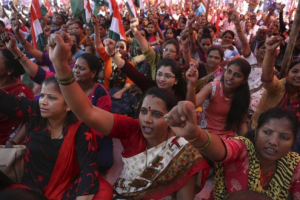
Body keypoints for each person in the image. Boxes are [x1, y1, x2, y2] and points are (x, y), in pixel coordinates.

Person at [47, 31, 210, 199]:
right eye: (144, 111)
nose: (146, 119)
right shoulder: (133, 129)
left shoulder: (183, 154)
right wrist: (60, 64)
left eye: (156, 114)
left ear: (170, 118)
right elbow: (88, 113)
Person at [0, 76, 113, 199]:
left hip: (67, 190)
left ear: (69, 105)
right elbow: (5, 100)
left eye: (51, 98)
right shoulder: (35, 112)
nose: (43, 101)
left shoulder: (80, 130)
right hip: (31, 188)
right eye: (42, 95)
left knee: (104, 193)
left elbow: (88, 171)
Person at [165, 105, 300, 200]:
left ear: (293, 140)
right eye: (267, 132)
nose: (274, 142)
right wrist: (196, 134)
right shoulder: (242, 148)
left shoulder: (293, 164)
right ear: (257, 131)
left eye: (284, 137)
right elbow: (221, 148)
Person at [186, 58, 251, 138]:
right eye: (229, 71)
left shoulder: (243, 97)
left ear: (244, 80)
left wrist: (246, 143)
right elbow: (192, 105)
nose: (230, 77)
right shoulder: (213, 87)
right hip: (206, 135)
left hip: (228, 138)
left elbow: (242, 123)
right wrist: (192, 84)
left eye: (237, 75)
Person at [0, 49, 34, 145]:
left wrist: (13, 143)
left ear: (10, 70)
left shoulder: (21, 91)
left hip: (7, 149)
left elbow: (31, 119)